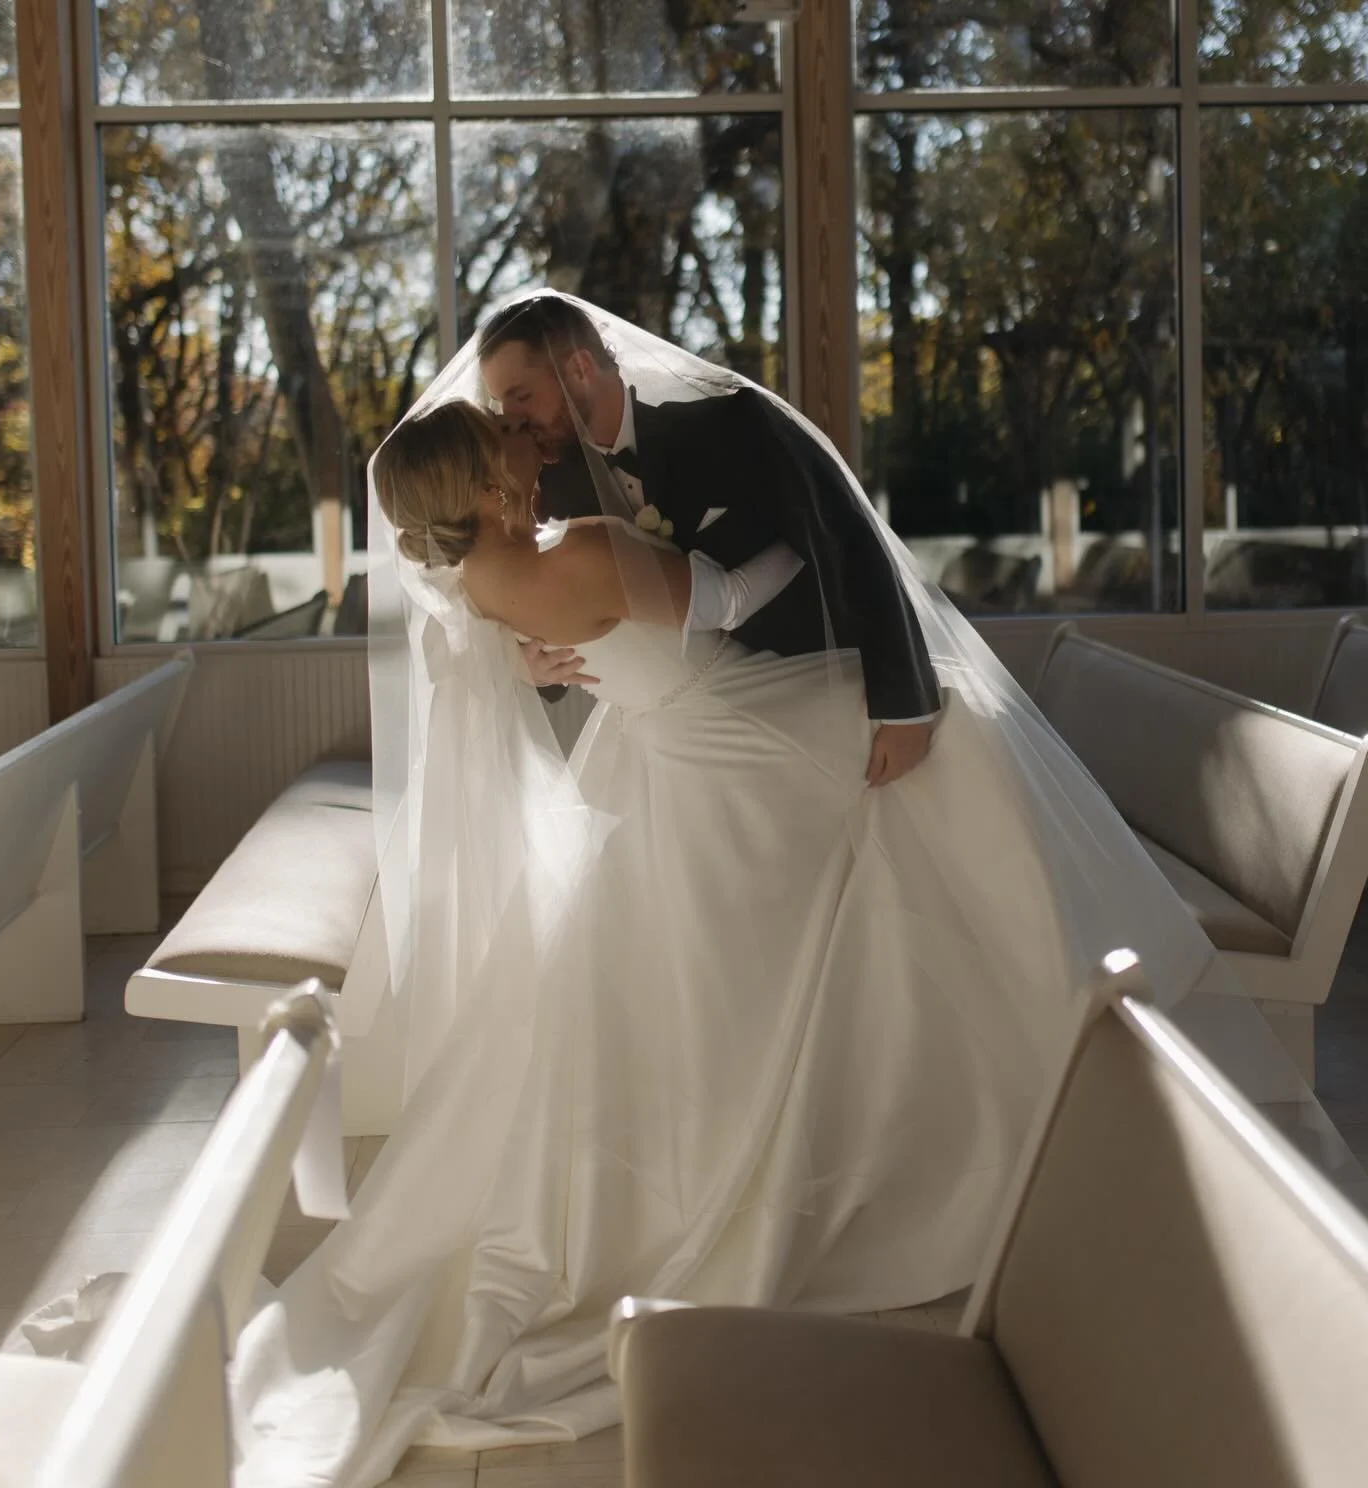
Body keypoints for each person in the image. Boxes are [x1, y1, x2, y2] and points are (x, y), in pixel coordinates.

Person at [216, 296, 1218, 1488]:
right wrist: (750, 560)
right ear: (483, 485)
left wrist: (897, 685)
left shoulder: (496, 573)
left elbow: (834, 528)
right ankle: (975, 1145)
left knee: (745, 970)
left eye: (520, 402)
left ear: (577, 364)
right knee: (844, 934)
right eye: (500, 427)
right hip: (726, 738)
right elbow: (732, 595)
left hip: (698, 731)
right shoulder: (574, 538)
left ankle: (969, 1133)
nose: (517, 429)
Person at [476, 293, 939, 785]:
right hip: (683, 746)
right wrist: (533, 668)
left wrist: (905, 706)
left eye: (521, 396)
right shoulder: (557, 488)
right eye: (502, 403)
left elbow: (850, 540)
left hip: (827, 698)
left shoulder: (730, 422)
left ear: (579, 367)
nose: (513, 418)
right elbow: (560, 609)